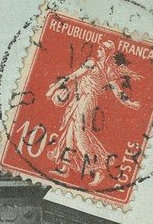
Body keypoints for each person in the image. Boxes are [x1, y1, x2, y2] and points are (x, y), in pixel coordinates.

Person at [45, 39, 142, 186]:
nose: (98, 50)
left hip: (87, 101)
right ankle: (65, 168)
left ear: (106, 52)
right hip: (78, 99)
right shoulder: (92, 63)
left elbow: (118, 92)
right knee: (70, 133)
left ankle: (98, 170)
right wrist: (54, 88)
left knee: (80, 135)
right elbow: (73, 76)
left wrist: (130, 103)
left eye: (101, 49)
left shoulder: (108, 71)